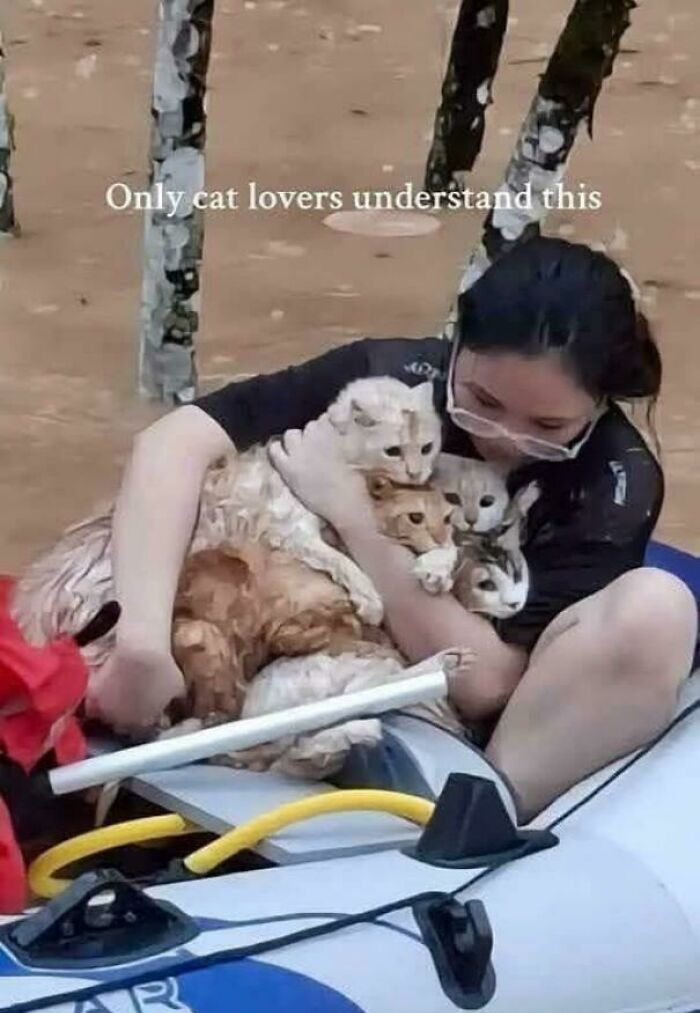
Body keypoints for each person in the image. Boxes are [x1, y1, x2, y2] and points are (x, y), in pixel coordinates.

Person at [85, 236, 698, 820]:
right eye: (482, 402)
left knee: (658, 610)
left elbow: (485, 679)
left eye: (547, 424)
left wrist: (352, 511)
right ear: (455, 348)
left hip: (485, 719)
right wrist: (142, 641)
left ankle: (480, 817)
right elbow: (175, 441)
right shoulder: (392, 382)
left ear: (597, 407)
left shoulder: (615, 478)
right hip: (308, 641)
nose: (500, 437)